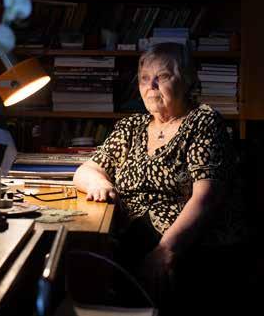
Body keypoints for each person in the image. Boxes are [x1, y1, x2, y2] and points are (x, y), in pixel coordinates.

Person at [73, 42, 249, 315]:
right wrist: (99, 182)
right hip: (131, 237)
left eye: (162, 76)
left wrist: (166, 251)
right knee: (74, 258)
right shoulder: (131, 126)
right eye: (144, 78)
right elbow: (85, 170)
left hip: (188, 245)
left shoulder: (203, 121)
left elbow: (206, 197)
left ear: (187, 80)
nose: (151, 86)